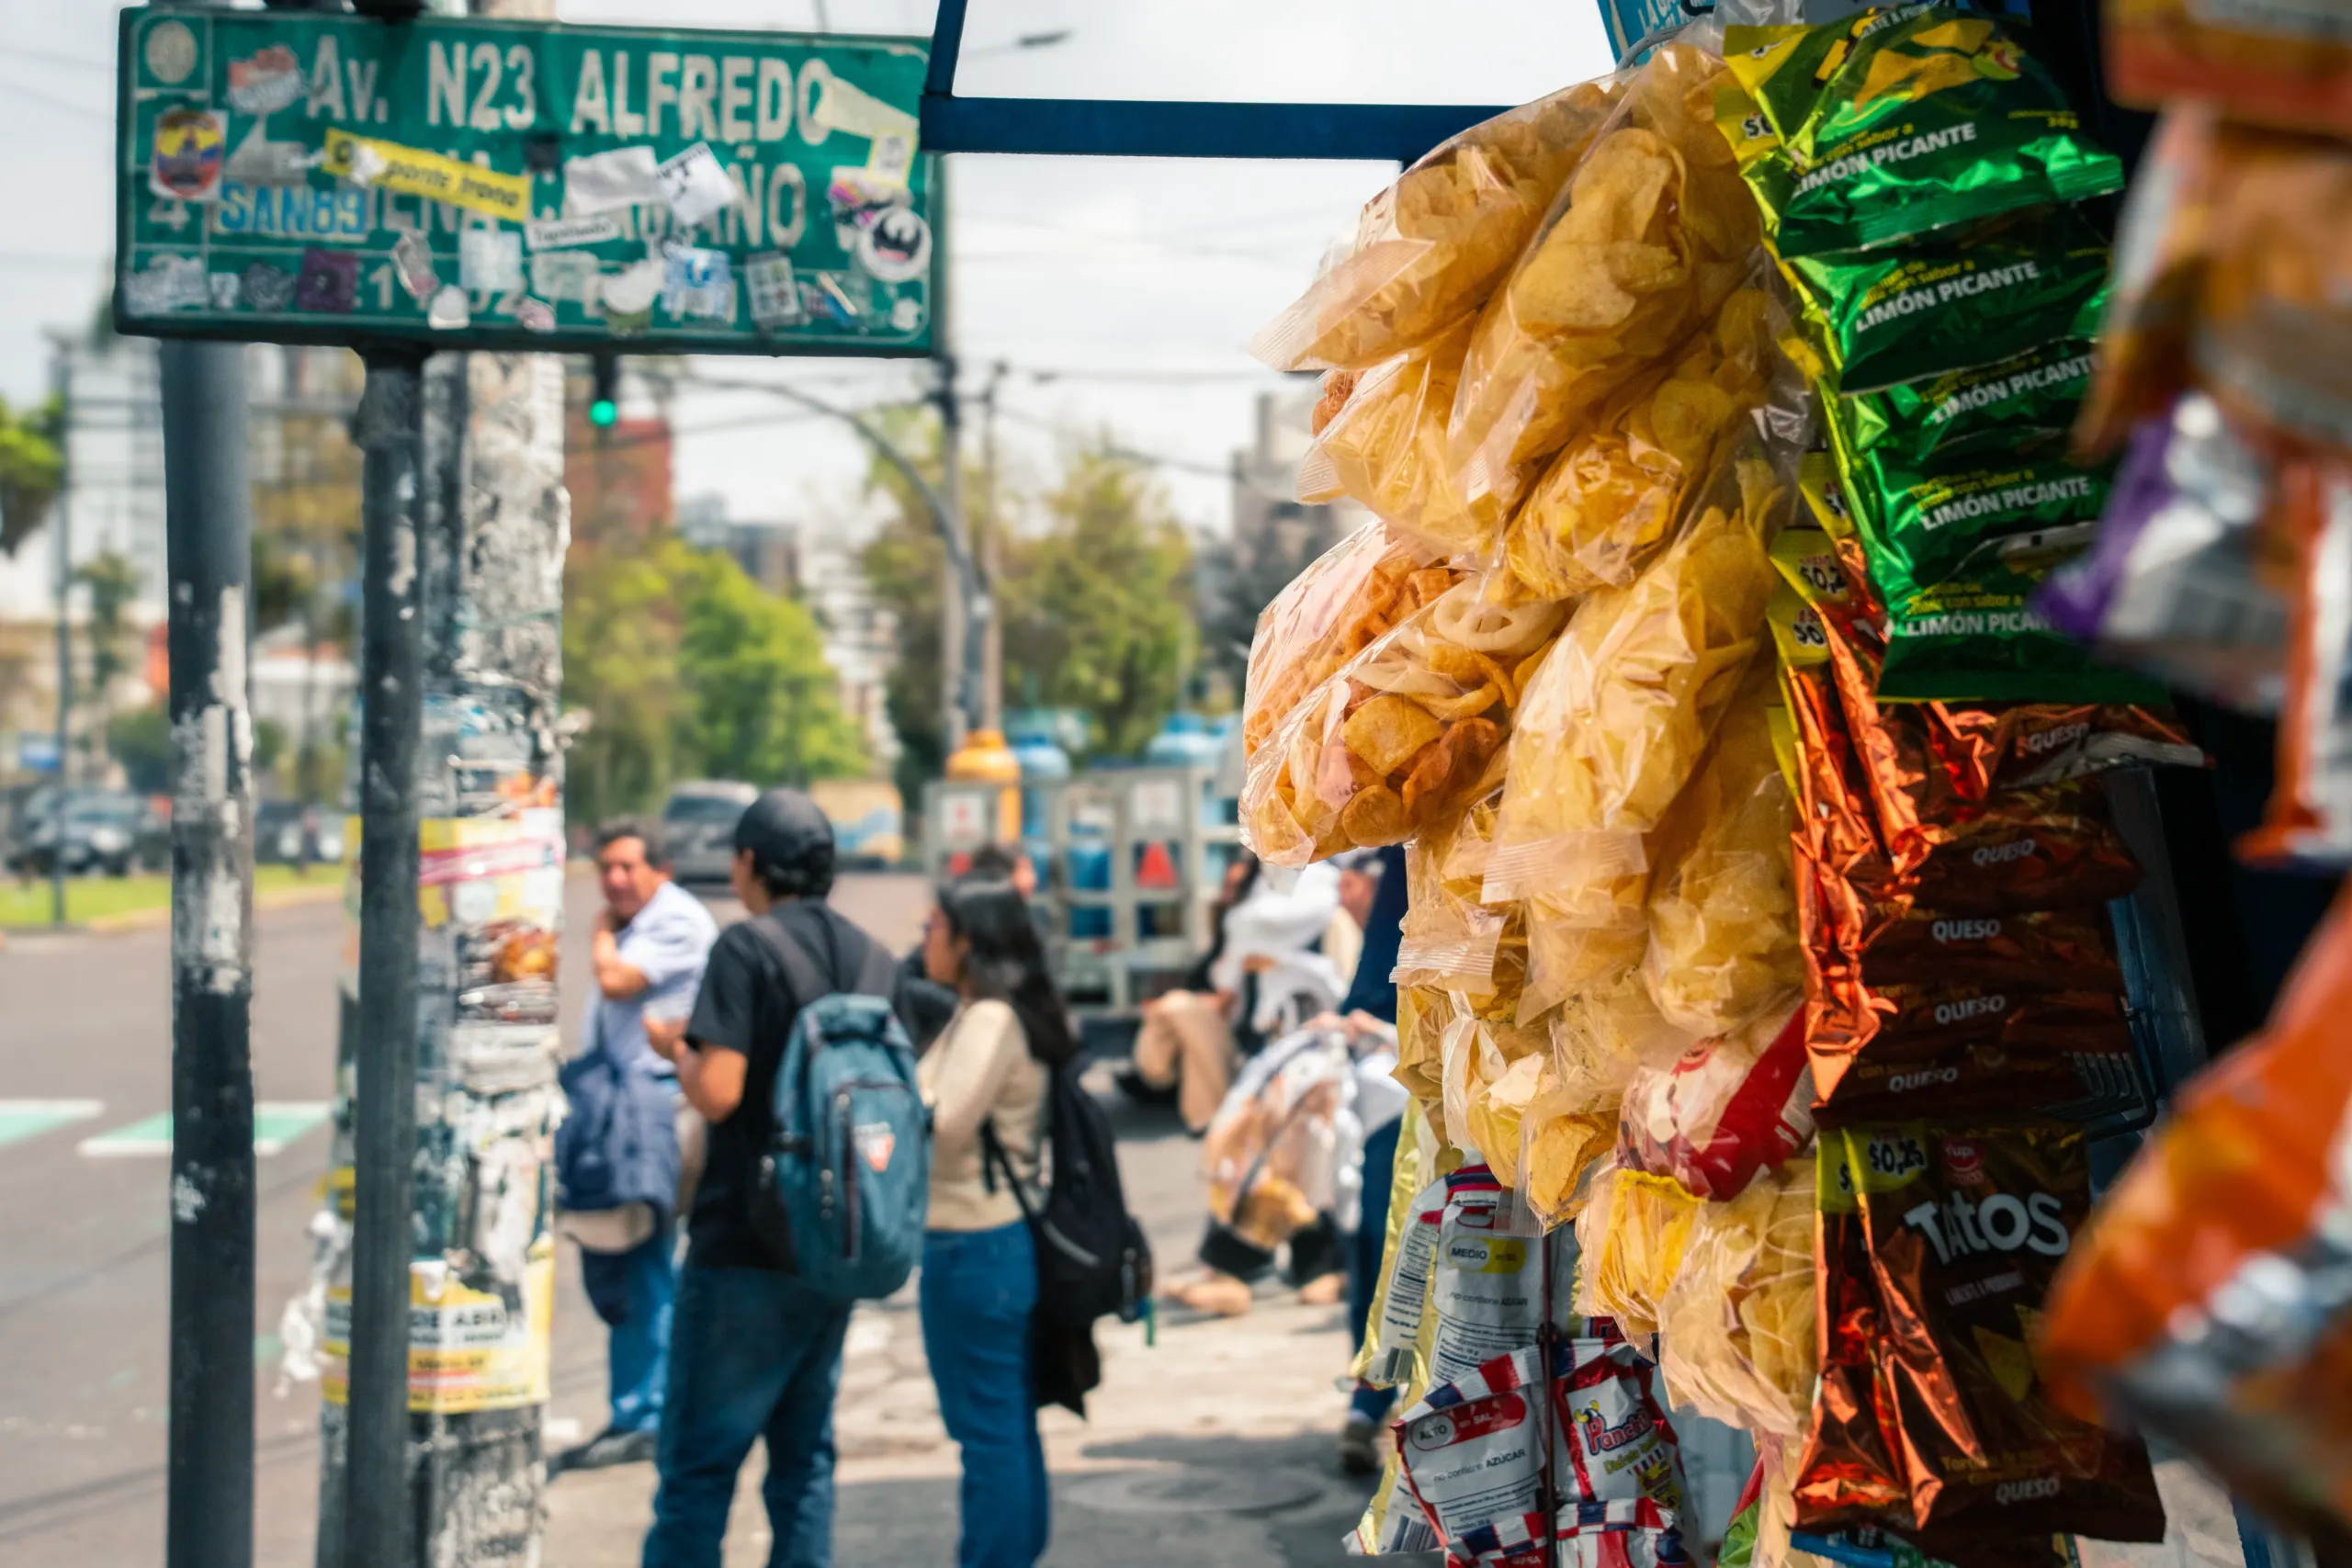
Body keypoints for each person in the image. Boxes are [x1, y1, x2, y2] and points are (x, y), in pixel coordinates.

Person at [640, 788, 897, 1568]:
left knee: (697, 1467)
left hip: (743, 1243)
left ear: (748, 863)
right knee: (804, 1462)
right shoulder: (872, 956)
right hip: (834, 1239)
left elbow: (718, 1091)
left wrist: (677, 1050)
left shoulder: (745, 948)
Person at [917, 874, 1075, 1568]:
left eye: (933, 927)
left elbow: (945, 1125)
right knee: (1005, 1423)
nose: (923, 937)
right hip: (995, 1243)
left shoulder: (988, 1018)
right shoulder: (988, 1009)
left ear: (967, 940)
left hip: (972, 1245)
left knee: (987, 1431)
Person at [554, 818, 718, 1473]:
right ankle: (646, 1406)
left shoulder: (674, 921)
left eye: (628, 866)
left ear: (661, 869)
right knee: (627, 1260)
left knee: (643, 1259)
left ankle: (645, 1412)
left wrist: (597, 933)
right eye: (607, 868)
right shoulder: (642, 920)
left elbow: (619, 982)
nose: (616, 880)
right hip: (620, 1102)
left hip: (652, 1108)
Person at [1127, 852, 1349, 1131]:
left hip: (1237, 1015)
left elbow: (1226, 987)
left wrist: (1220, 995)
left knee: (1174, 1010)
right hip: (1225, 1010)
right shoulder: (1242, 919)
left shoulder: (1256, 920)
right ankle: (1205, 1117)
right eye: (1227, 885)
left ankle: (1201, 1113)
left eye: (1235, 884)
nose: (1228, 890)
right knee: (1178, 1014)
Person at [1332, 843, 1410, 1476]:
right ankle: (1371, 1394)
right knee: (1380, 1239)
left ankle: (1378, 1397)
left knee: (1388, 1241)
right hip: (1399, 1073)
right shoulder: (1406, 844)